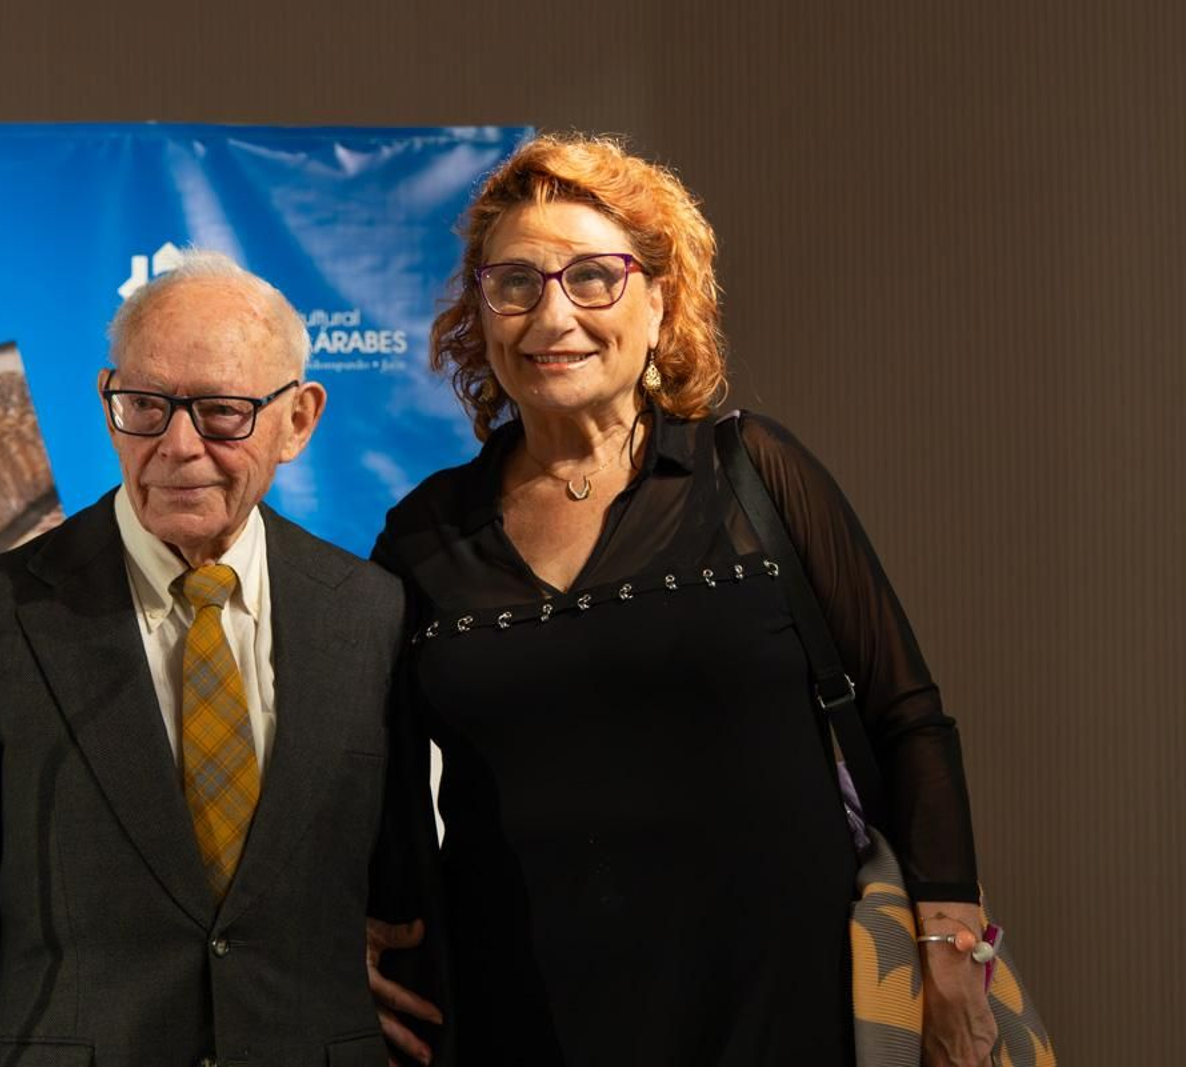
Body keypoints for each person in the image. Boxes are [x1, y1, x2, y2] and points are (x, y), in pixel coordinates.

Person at [369, 135, 998, 1065]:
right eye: (515, 283)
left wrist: (948, 943)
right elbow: (366, 781)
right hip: (524, 1017)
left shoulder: (755, 475)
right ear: (481, 314)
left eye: (594, 277)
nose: (553, 315)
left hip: (784, 1004)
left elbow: (906, 714)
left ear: (661, 300)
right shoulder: (423, 535)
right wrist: (353, 936)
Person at [0, 251, 408, 1067]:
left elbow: (396, 887)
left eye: (223, 411)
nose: (178, 445)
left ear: (298, 420)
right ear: (107, 399)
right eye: (146, 406)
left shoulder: (370, 610)